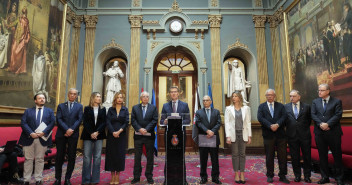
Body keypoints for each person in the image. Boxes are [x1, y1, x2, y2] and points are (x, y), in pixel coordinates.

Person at [19, 93, 55, 185]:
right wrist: (31, 133)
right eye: (40, 98)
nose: (42, 99)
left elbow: (52, 123)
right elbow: (23, 123)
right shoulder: (28, 111)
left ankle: (38, 179)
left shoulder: (49, 111)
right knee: (28, 159)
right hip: (28, 138)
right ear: (35, 100)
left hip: (42, 138)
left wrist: (44, 132)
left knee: (40, 159)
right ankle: (26, 180)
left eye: (43, 98)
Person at [311, 84, 344, 185]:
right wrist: (321, 124)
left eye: (322, 90)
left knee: (337, 156)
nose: (319, 92)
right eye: (319, 90)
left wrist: (328, 124)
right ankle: (325, 177)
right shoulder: (315, 102)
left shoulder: (337, 101)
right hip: (320, 133)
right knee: (322, 156)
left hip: (333, 132)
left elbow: (338, 114)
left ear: (328, 91)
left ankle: (339, 178)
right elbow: (313, 114)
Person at [257, 89, 289, 184]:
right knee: (269, 156)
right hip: (268, 135)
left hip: (281, 135)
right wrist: (270, 125)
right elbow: (260, 118)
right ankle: (270, 175)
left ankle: (282, 175)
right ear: (265, 96)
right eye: (267, 95)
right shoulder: (261, 106)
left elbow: (284, 116)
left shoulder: (281, 106)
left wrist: (277, 125)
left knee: (282, 156)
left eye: (271, 95)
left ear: (274, 96)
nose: (269, 96)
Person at [160, 86, 190, 184]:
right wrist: (164, 121)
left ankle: (182, 180)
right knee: (169, 157)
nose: (173, 93)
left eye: (175, 92)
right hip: (169, 135)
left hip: (180, 135)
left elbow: (188, 120)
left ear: (178, 93)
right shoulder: (165, 106)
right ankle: (167, 180)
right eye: (171, 92)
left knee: (181, 157)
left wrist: (178, 120)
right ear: (169, 94)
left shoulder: (184, 105)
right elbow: (161, 120)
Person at [54, 88, 83, 185]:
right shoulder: (61, 106)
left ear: (76, 96)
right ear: (68, 94)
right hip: (61, 134)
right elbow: (59, 119)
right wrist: (66, 129)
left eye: (74, 94)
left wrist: (71, 130)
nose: (72, 95)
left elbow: (79, 120)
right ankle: (57, 179)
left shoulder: (79, 106)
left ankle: (67, 179)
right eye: (71, 93)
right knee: (59, 157)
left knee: (71, 157)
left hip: (73, 135)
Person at [131, 91, 158, 184]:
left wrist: (146, 129)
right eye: (143, 96)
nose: (145, 98)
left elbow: (155, 120)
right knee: (137, 157)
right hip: (138, 136)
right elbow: (133, 120)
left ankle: (149, 176)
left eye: (147, 96)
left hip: (149, 136)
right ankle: (136, 177)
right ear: (141, 98)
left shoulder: (153, 108)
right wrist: (139, 129)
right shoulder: (135, 108)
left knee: (150, 157)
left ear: (149, 98)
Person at [284, 90, 312, 183]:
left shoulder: (307, 107)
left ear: (299, 97)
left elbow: (309, 120)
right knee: (295, 157)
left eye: (294, 96)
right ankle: (297, 175)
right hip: (292, 136)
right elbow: (285, 121)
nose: (292, 98)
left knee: (307, 156)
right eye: (290, 96)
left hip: (304, 135)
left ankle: (307, 176)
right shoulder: (286, 107)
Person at [225, 91, 252, 184]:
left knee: (242, 154)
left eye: (236, 96)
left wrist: (249, 135)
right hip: (233, 134)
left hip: (243, 133)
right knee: (235, 154)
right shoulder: (228, 109)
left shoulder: (246, 108)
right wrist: (227, 136)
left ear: (240, 98)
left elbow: (248, 122)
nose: (234, 98)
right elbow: (227, 123)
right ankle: (236, 174)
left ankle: (242, 174)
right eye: (233, 96)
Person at [81, 92, 106, 185]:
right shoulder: (87, 109)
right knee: (87, 158)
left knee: (97, 157)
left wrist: (97, 132)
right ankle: (86, 180)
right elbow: (85, 122)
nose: (99, 98)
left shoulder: (103, 109)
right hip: (88, 135)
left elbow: (104, 122)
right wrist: (91, 132)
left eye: (100, 96)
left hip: (99, 135)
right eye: (97, 96)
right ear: (93, 98)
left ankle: (95, 180)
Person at [196, 95, 222, 184]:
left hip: (213, 137)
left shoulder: (216, 112)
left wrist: (212, 132)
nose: (205, 102)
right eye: (204, 100)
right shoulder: (199, 112)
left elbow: (219, 123)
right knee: (203, 159)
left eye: (207, 100)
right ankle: (203, 177)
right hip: (204, 137)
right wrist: (207, 131)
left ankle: (215, 177)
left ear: (210, 101)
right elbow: (198, 123)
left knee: (215, 159)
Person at [105, 92, 129, 185]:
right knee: (111, 155)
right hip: (111, 135)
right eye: (118, 97)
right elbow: (108, 122)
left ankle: (118, 175)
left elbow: (126, 122)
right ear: (115, 99)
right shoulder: (111, 110)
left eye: (121, 97)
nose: (119, 99)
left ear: (123, 99)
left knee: (119, 155)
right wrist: (113, 132)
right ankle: (112, 175)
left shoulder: (125, 109)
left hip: (121, 135)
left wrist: (119, 131)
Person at [7, 7, 30, 74]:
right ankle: (12, 67)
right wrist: (9, 26)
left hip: (22, 39)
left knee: (18, 52)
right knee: (13, 50)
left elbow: (27, 31)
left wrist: (26, 39)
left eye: (24, 13)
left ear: (25, 13)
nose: (23, 15)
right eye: (23, 13)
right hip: (17, 37)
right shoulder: (19, 19)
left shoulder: (26, 21)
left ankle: (17, 68)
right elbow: (15, 24)